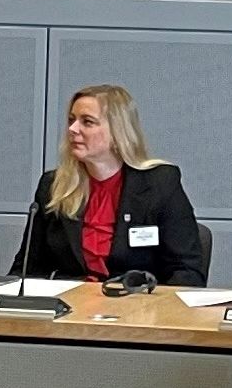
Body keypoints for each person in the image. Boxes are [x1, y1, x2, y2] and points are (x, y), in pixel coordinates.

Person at [12, 84, 206, 284]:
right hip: (70, 301)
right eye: (71, 120)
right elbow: (25, 269)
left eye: (87, 122)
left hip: (137, 300)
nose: (72, 129)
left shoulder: (160, 183)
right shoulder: (53, 186)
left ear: (117, 133)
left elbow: (187, 272)